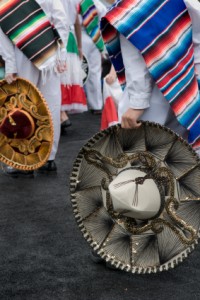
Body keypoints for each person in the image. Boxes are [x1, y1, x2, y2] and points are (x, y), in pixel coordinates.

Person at [101, 0, 200, 155]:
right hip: (187, 86)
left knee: (143, 160)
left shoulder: (134, 6)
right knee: (183, 157)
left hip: (155, 93)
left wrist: (137, 104)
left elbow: (135, 59)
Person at [0, 0, 69, 176]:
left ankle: (25, 161)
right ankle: (49, 159)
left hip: (21, 51)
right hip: (49, 49)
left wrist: (10, 63)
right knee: (51, 104)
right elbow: (61, 18)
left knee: (23, 104)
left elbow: (2, 30)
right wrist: (61, 53)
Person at [60, 0, 87, 135]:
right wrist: (80, 46)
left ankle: (61, 114)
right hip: (71, 39)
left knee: (59, 77)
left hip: (59, 38)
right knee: (66, 77)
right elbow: (76, 22)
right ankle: (62, 113)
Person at [78, 0, 107, 114]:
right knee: (95, 72)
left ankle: (78, 102)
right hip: (96, 38)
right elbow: (105, 19)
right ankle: (96, 105)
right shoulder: (98, 4)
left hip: (79, 37)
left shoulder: (75, 2)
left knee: (80, 71)